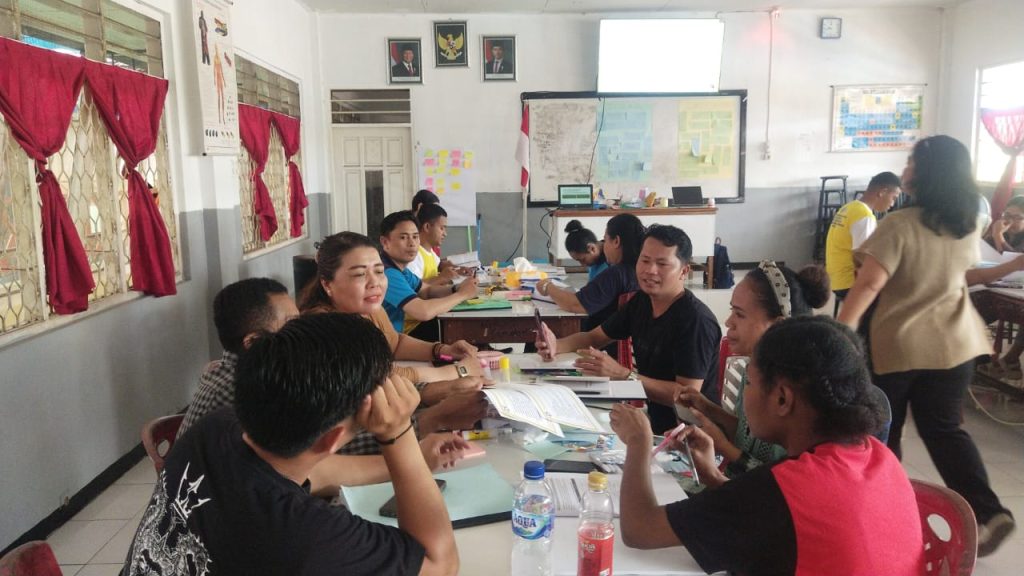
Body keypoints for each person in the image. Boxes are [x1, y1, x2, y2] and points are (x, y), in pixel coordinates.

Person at [122, 314, 460, 575]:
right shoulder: (309, 536)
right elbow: (439, 564)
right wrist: (398, 435)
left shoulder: (216, 427)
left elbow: (317, 470)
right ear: (331, 439)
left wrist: (415, 461)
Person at [612, 317, 922, 575]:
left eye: (749, 383)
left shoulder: (785, 488)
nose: (745, 394)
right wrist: (714, 478)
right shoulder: (879, 455)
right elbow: (774, 517)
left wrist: (639, 442)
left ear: (782, 399)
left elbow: (640, 529)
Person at [838, 134, 1015, 556]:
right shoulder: (965, 225)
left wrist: (840, 335)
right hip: (956, 344)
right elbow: (965, 276)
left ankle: (883, 514)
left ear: (929, 172)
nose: (906, 170)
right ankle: (989, 512)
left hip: (901, 346)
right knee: (945, 430)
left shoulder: (899, 225)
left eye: (912, 162)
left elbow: (869, 284)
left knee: (884, 431)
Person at [180, 278, 470, 486]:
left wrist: (430, 399)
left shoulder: (254, 371)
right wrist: (421, 428)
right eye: (292, 324)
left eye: (378, 270)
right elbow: (318, 450)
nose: (375, 283)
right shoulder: (247, 387)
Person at [299, 231, 488, 445]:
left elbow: (394, 343)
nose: (375, 283)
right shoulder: (324, 330)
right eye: (359, 274)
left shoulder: (369, 307)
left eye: (379, 271)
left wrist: (442, 351)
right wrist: (457, 371)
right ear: (327, 284)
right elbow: (382, 377)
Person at [536, 225, 721, 433]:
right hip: (655, 422)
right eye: (645, 260)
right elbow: (594, 337)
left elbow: (686, 397)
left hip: (691, 437)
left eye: (662, 264)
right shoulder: (642, 302)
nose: (650, 270)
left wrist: (624, 375)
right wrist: (556, 344)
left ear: (684, 271)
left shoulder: (696, 321)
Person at [676, 261, 830, 478]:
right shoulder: (754, 367)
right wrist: (707, 408)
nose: (728, 322)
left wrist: (723, 446)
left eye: (740, 315)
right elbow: (747, 433)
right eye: (732, 311)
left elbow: (780, 480)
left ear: (777, 325)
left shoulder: (794, 392)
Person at [534, 213, 644, 337]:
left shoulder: (616, 274)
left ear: (616, 241)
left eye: (605, 239)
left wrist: (548, 286)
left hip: (600, 338)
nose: (603, 244)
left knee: (542, 331)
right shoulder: (640, 269)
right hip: (624, 337)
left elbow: (575, 304)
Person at [379, 210, 478, 342]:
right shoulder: (387, 273)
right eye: (403, 237)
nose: (412, 243)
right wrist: (462, 295)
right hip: (386, 343)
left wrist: (457, 288)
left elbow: (426, 290)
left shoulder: (400, 269)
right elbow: (423, 312)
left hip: (397, 338)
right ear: (385, 242)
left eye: (415, 237)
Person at [825, 171, 902, 305]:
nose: (892, 204)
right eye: (893, 197)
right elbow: (863, 259)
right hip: (849, 282)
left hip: (836, 278)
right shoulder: (864, 216)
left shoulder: (849, 207)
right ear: (882, 192)